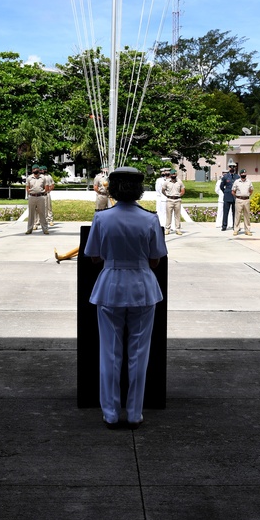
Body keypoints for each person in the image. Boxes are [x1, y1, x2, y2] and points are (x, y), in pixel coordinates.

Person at [83, 165, 167, 429]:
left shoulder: (102, 218)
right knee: (139, 355)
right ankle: (133, 413)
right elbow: (155, 260)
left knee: (109, 353)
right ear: (139, 189)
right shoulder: (150, 219)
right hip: (142, 287)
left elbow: (94, 256)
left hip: (110, 286)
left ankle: (109, 412)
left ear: (113, 188)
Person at [25, 164, 49, 234]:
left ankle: (45, 229)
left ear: (39, 169)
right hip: (32, 196)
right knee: (31, 214)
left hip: (40, 197)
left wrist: (44, 192)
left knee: (42, 213)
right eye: (33, 169)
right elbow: (27, 187)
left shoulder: (43, 178)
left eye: (36, 169)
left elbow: (46, 186)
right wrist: (29, 191)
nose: (35, 170)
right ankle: (29, 229)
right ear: (32, 170)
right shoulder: (29, 178)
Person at [162, 169, 184, 235]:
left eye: (174, 174)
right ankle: (167, 229)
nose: (173, 175)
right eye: (172, 174)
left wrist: (179, 195)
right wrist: (167, 195)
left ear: (176, 174)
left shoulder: (179, 182)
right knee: (169, 215)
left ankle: (178, 229)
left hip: (177, 200)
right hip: (169, 200)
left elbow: (183, 190)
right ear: (170, 175)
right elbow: (163, 190)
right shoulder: (167, 182)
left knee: (177, 216)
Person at [232, 169, 254, 236]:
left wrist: (247, 195)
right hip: (239, 200)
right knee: (237, 215)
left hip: (246, 200)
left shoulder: (249, 181)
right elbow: (233, 191)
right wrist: (238, 196)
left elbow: (251, 190)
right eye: (242, 174)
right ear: (240, 174)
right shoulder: (237, 182)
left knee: (247, 215)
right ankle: (236, 229)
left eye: (245, 173)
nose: (244, 175)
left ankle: (247, 230)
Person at [219, 162, 240, 232]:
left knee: (235, 212)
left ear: (235, 168)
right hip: (227, 197)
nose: (232, 168)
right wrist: (225, 191)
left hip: (235, 197)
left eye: (233, 167)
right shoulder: (225, 177)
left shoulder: (237, 177)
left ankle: (235, 226)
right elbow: (221, 186)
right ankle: (224, 226)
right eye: (231, 167)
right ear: (229, 168)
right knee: (225, 212)